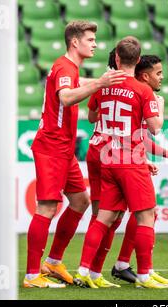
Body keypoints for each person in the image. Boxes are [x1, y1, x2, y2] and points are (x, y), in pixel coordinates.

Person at [24, 21, 126, 288]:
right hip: (51, 147)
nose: (94, 44)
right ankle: (32, 275)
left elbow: (72, 88)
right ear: (75, 42)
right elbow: (67, 97)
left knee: (80, 201)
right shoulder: (64, 67)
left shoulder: (68, 67)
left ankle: (54, 261)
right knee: (46, 207)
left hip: (64, 149)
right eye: (90, 39)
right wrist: (100, 83)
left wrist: (101, 82)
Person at [85, 53, 168, 287]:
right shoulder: (140, 94)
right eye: (158, 73)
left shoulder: (116, 89)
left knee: (118, 216)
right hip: (121, 159)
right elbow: (151, 130)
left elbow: (134, 136)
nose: (162, 77)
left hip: (112, 156)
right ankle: (128, 273)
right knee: (136, 214)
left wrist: (160, 156)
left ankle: (113, 268)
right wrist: (160, 109)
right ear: (144, 75)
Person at [74, 36, 168, 289]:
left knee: (103, 218)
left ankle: (86, 271)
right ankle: (144, 275)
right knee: (147, 215)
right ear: (138, 61)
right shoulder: (143, 90)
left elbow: (92, 116)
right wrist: (161, 107)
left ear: (116, 57)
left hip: (107, 158)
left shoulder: (102, 85)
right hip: (130, 159)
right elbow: (155, 128)